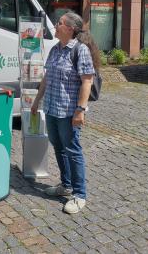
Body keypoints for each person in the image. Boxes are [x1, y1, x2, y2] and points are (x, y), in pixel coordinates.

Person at [31, 12, 100, 214]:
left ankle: (79, 195)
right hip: (52, 109)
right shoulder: (54, 49)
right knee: (59, 147)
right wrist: (37, 101)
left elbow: (87, 81)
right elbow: (46, 78)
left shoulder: (81, 50)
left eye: (60, 23)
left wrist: (80, 110)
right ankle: (66, 185)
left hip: (69, 112)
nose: (56, 25)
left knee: (72, 150)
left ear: (70, 29)